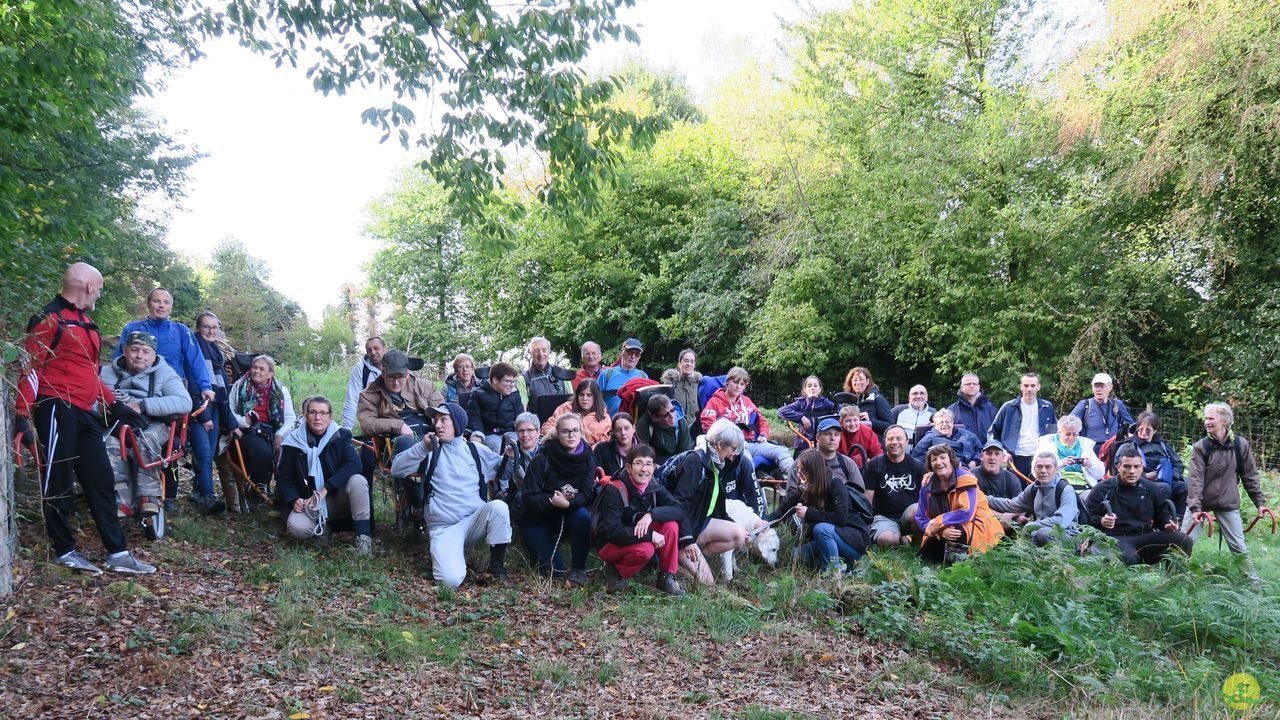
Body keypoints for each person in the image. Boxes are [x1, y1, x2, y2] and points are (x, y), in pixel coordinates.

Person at [16, 262, 154, 574]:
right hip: (55, 407)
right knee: (59, 481)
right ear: (89, 287)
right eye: (100, 288)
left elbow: (90, 374)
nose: (100, 294)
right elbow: (30, 367)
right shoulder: (48, 318)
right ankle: (64, 550)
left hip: (85, 412)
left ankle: (117, 554)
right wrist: (22, 415)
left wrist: (113, 404)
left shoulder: (87, 323)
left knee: (101, 479)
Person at [114, 287, 215, 511]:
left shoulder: (180, 331)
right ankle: (127, 490)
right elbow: (117, 361)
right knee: (126, 438)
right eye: (156, 301)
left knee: (172, 444)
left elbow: (195, 360)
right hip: (135, 391)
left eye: (166, 302)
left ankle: (168, 495)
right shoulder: (133, 329)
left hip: (169, 394)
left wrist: (205, 387)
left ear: (171, 306)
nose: (161, 305)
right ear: (148, 304)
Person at [391, 403, 512, 588]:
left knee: (499, 507)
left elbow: (504, 471)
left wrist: (510, 456)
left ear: (457, 423)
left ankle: (496, 568)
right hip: (444, 526)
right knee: (450, 581)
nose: (438, 425)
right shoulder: (430, 451)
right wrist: (423, 447)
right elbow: (397, 469)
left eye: (443, 420)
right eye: (436, 420)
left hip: (474, 520)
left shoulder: (475, 450)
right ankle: (445, 555)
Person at [101, 331, 195, 518]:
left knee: (147, 440)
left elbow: (184, 402)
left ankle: (148, 496)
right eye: (135, 350)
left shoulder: (165, 373)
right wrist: (106, 408)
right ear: (124, 351)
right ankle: (121, 499)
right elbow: (92, 398)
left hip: (154, 423)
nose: (139, 356)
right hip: (117, 423)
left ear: (153, 356)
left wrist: (143, 406)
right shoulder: (106, 373)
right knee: (108, 444)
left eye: (145, 352)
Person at [667, 419, 766, 587]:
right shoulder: (695, 462)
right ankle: (679, 557)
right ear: (719, 444)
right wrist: (688, 540)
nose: (734, 454)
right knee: (709, 584)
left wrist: (736, 526)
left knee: (739, 534)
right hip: (683, 531)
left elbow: (717, 506)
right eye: (733, 448)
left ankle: (697, 559)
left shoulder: (714, 463)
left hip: (700, 524)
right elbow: (679, 505)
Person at [1182, 403, 1271, 578]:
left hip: (1227, 501)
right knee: (1183, 542)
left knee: (1238, 546)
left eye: (1210, 418)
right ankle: (1170, 581)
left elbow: (1249, 476)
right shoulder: (1202, 447)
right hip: (1200, 502)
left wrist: (1259, 503)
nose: (1206, 422)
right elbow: (1195, 480)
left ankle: (1253, 585)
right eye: (1205, 418)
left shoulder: (1240, 445)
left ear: (1224, 421)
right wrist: (1195, 509)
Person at [279, 396, 372, 555]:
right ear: (305, 415)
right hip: (310, 504)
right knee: (296, 528)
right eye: (313, 412)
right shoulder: (292, 442)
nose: (317, 417)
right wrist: (294, 499)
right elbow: (283, 479)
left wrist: (325, 489)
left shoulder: (340, 436)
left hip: (339, 498)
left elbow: (355, 464)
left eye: (323, 413)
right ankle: (325, 528)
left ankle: (363, 538)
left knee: (358, 481)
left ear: (330, 417)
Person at [595, 445, 687, 595]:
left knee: (670, 525)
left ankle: (666, 577)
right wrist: (650, 535)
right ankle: (614, 571)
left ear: (654, 467)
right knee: (645, 549)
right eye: (638, 463)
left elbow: (680, 510)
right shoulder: (615, 489)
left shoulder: (653, 485)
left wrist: (651, 515)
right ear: (629, 467)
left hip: (635, 536)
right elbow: (613, 532)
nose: (644, 469)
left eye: (648, 464)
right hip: (609, 543)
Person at [519, 413, 597, 584]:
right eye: (566, 431)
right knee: (555, 571)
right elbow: (528, 497)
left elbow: (586, 494)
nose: (571, 435)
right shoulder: (543, 459)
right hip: (538, 517)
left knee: (583, 516)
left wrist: (568, 503)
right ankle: (533, 544)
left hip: (570, 512)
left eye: (575, 431)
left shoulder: (587, 457)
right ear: (558, 433)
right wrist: (552, 501)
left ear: (581, 431)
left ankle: (579, 568)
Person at [355, 349, 444, 492]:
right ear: (383, 373)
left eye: (401, 377)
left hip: (430, 434)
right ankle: (419, 497)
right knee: (405, 443)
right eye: (391, 377)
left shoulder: (425, 386)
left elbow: (443, 411)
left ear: (408, 373)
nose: (396, 382)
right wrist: (398, 425)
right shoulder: (369, 394)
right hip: (397, 441)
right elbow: (367, 424)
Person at [1088, 446, 1193, 566]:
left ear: (1142, 468)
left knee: (1184, 540)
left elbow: (1162, 517)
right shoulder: (1103, 489)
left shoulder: (1151, 488)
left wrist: (1168, 525)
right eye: (1127, 466)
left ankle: (1174, 579)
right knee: (1130, 559)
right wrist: (1101, 521)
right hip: (1115, 538)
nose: (1132, 471)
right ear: (1118, 468)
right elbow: (1085, 519)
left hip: (1144, 537)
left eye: (1136, 466)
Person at [771, 449, 871, 575]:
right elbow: (782, 512)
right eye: (798, 470)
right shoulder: (805, 489)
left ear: (814, 471)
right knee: (797, 556)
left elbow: (841, 519)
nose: (799, 474)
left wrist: (809, 514)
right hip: (828, 539)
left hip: (853, 541)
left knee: (821, 529)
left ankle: (832, 573)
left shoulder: (836, 485)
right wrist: (761, 522)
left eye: (803, 471)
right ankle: (844, 566)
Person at [915, 445, 1004, 563]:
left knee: (955, 531)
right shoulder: (927, 483)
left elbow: (966, 512)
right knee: (924, 559)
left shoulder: (965, 479)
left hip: (975, 523)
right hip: (941, 527)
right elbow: (920, 516)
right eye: (934, 459)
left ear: (951, 460)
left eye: (942, 457)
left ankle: (957, 566)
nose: (938, 462)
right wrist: (939, 530)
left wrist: (937, 523)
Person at [228, 354, 297, 504]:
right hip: (245, 431)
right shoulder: (239, 386)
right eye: (254, 367)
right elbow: (230, 413)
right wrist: (244, 421)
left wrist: (280, 435)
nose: (256, 371)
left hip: (272, 432)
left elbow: (291, 418)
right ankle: (259, 487)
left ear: (270, 373)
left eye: (261, 369)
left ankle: (285, 491)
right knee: (261, 451)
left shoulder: (280, 390)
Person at [699, 366, 793, 475]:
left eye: (742, 384)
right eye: (735, 382)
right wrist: (727, 443)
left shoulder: (747, 401)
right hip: (732, 447)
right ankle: (752, 489)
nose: (738, 386)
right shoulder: (715, 401)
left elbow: (761, 420)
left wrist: (763, 434)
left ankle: (798, 481)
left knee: (782, 452)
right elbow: (708, 425)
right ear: (727, 382)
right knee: (746, 462)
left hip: (752, 443)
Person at [986, 450, 1081, 547]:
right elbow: (1012, 505)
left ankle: (1060, 560)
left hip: (1067, 535)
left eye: (1048, 467)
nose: (1043, 471)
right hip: (1038, 533)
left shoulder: (1065, 490)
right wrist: (984, 498)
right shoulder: (1033, 489)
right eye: (1039, 467)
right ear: (1034, 469)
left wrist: (1033, 525)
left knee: (1043, 533)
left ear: (1056, 469)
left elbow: (1061, 521)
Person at [191, 312, 231, 514]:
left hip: (214, 408)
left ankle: (198, 492)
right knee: (204, 454)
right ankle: (208, 497)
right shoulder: (192, 349)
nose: (210, 331)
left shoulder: (216, 352)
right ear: (198, 328)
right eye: (206, 327)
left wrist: (230, 421)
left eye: (214, 327)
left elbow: (223, 386)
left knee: (209, 452)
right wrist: (203, 415)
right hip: (198, 408)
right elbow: (191, 383)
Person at [1113, 411, 1187, 516]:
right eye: (1140, 429)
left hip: (1167, 480)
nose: (1143, 432)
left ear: (1155, 430)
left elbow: (1178, 464)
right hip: (1140, 482)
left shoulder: (1163, 445)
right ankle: (1161, 519)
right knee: (1164, 488)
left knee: (1184, 487)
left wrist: (1171, 475)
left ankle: (1178, 520)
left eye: (1148, 430)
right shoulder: (1128, 446)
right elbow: (1119, 468)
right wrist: (1145, 476)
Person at [863, 424, 925, 547]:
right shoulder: (875, 465)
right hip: (883, 517)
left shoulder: (917, 466)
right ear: (884, 441)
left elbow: (926, 498)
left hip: (908, 516)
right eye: (890, 439)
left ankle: (916, 541)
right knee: (888, 541)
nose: (894, 442)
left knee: (918, 509)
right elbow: (867, 499)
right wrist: (866, 523)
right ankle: (898, 537)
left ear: (907, 442)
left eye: (899, 438)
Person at [988, 372, 1057, 477]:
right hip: (1015, 459)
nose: (1029, 389)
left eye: (1033, 386)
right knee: (1016, 492)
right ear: (1021, 387)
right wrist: (1003, 452)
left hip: (1040, 459)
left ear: (1038, 387)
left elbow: (1054, 435)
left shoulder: (1047, 407)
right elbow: (993, 433)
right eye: (1026, 385)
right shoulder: (1009, 407)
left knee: (1040, 492)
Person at [466, 361, 524, 453]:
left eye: (513, 381)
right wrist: (478, 434)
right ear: (495, 380)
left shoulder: (514, 394)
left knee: (518, 446)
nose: (512, 385)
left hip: (510, 431)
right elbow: (474, 417)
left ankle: (518, 467)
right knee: (497, 447)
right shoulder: (478, 394)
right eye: (508, 381)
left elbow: (520, 416)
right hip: (489, 433)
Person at [1035, 415, 1103, 490]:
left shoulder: (1085, 445)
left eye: (1075, 434)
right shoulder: (1046, 445)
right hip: (1058, 487)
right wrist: (1061, 464)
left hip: (1084, 487)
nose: (1071, 438)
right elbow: (1036, 472)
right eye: (1067, 434)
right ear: (1059, 432)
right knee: (1068, 497)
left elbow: (1100, 474)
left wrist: (1090, 465)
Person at [1069, 372, 1134, 446]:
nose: (1098, 389)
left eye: (1102, 386)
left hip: (1112, 448)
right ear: (1092, 388)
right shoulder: (1085, 404)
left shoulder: (1117, 404)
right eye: (1096, 386)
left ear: (1110, 387)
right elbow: (1068, 423)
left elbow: (1131, 424)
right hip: (1090, 448)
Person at [541, 378, 611, 445]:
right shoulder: (566, 407)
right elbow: (548, 427)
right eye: (581, 395)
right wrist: (559, 435)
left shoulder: (604, 417)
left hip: (591, 454)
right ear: (577, 396)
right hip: (562, 449)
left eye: (589, 395)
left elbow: (605, 442)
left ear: (595, 397)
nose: (585, 398)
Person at [777, 376, 836, 451]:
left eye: (815, 385)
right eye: (809, 386)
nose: (812, 388)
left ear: (820, 389)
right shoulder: (800, 403)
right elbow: (781, 411)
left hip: (822, 445)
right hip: (803, 444)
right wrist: (801, 417)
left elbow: (839, 412)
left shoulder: (826, 403)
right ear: (805, 389)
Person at [910, 408, 981, 467]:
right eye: (941, 423)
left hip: (970, 469)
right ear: (935, 425)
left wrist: (975, 462)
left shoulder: (967, 435)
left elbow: (980, 450)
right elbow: (916, 459)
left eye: (947, 422)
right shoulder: (929, 438)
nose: (945, 425)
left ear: (953, 422)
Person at [341, 336, 385, 430]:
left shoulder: (396, 365)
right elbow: (352, 399)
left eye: (376, 348)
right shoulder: (360, 369)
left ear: (385, 349)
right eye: (369, 350)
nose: (373, 353)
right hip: (371, 416)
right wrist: (347, 429)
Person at [519, 336, 572, 412]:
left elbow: (571, 402)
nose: (541, 354)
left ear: (549, 352)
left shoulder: (562, 374)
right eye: (536, 350)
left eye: (544, 350)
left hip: (561, 421)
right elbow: (523, 410)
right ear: (531, 353)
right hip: (537, 422)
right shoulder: (524, 379)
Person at [635, 394, 693, 462]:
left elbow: (685, 453)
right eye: (666, 414)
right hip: (654, 461)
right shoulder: (644, 424)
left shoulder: (681, 423)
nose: (672, 416)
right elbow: (643, 452)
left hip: (677, 461)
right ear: (655, 418)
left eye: (672, 410)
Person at [598, 338, 648, 414]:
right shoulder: (606, 375)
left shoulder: (643, 377)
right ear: (622, 352)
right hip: (610, 423)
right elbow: (595, 400)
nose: (633, 356)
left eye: (637, 354)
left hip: (634, 423)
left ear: (639, 357)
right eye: (630, 352)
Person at [841, 366, 894, 437]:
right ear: (851, 382)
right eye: (855, 380)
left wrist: (870, 421)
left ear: (867, 381)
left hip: (872, 444)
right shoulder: (846, 402)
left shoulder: (878, 399)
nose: (858, 382)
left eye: (861, 379)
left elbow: (890, 425)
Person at [971, 440, 1026, 508]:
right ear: (982, 456)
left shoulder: (1011, 478)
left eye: (997, 454)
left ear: (1003, 458)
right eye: (989, 453)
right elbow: (973, 506)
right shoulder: (972, 476)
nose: (992, 458)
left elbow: (1020, 505)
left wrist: (1014, 516)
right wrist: (1002, 516)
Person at [946, 373, 997, 440]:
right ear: (961, 387)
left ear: (979, 387)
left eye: (974, 384)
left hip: (987, 449)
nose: (972, 386)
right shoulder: (952, 410)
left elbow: (998, 431)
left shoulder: (990, 408)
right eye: (968, 384)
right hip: (962, 449)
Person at [660, 348, 703, 423]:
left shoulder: (699, 383)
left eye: (692, 362)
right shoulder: (670, 382)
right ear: (679, 363)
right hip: (676, 425)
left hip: (696, 426)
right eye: (686, 361)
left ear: (694, 365)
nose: (689, 364)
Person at [836, 405, 883, 469]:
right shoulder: (837, 433)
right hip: (842, 467)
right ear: (841, 422)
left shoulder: (867, 432)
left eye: (855, 420)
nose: (852, 424)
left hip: (863, 467)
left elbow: (877, 453)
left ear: (859, 420)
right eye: (848, 421)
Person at [593, 412, 638, 478]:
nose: (623, 433)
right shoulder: (601, 449)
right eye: (618, 430)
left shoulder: (643, 451)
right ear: (613, 432)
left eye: (627, 428)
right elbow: (594, 474)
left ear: (633, 428)